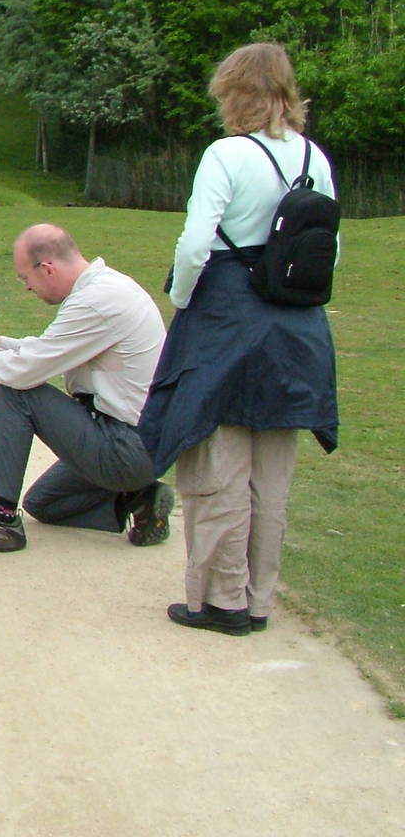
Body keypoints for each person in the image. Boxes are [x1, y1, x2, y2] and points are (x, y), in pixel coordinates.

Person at [138, 42, 339, 636]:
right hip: (297, 329)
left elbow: (196, 244)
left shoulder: (226, 154)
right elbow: (331, 249)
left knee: (220, 464)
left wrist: (181, 301)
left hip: (228, 320)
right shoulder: (314, 158)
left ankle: (220, 600)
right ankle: (257, 600)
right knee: (272, 475)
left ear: (233, 92)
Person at [0, 223, 172, 555]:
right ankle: (139, 497)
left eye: (26, 279)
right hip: (137, 444)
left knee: (17, 391)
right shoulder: (106, 288)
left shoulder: (97, 301)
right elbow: (46, 350)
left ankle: (1, 522)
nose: (27, 289)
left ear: (47, 268)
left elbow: (27, 370)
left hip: (126, 445)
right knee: (45, 503)